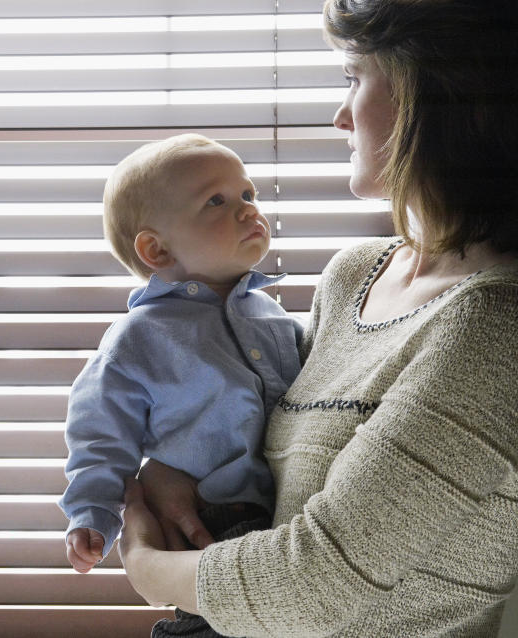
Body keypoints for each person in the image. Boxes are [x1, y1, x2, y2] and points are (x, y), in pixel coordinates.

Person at [118, 0, 518, 636]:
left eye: (354, 79)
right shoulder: (355, 275)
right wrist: (171, 476)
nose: (338, 116)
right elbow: (252, 423)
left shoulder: (496, 325)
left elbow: (311, 584)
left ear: (431, 93)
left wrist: (144, 565)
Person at [58, 134, 302, 635]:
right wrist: (93, 512)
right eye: (217, 201)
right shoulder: (140, 335)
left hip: (290, 518)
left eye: (248, 195)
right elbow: (100, 430)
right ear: (156, 248)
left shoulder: (275, 316)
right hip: (209, 520)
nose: (247, 210)